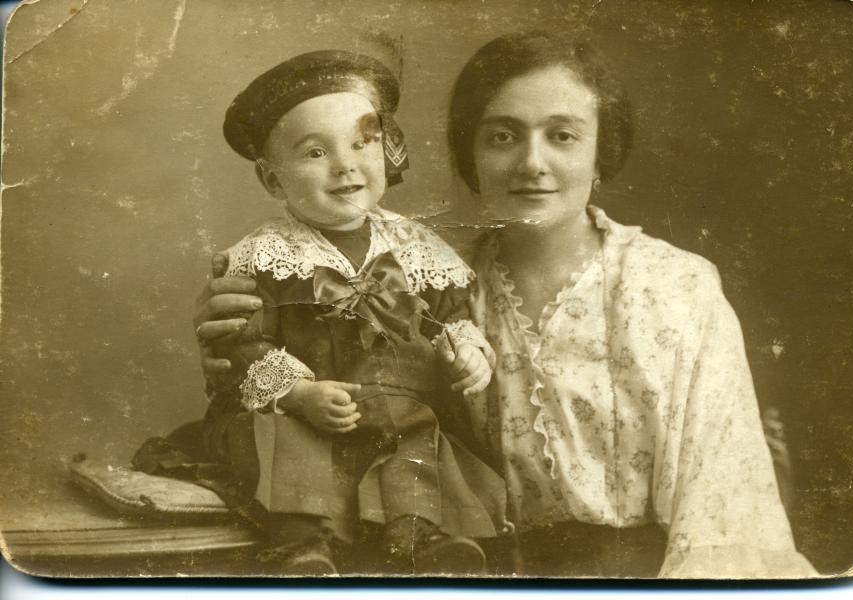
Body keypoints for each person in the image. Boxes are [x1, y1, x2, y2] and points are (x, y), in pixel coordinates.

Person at [195, 32, 816, 578]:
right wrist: (233, 343)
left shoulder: (676, 286)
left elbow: (724, 515)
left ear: (601, 152)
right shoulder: (429, 275)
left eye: (563, 136)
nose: (532, 164)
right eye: (502, 136)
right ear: (471, 154)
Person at [185, 50, 507, 576]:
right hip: (306, 410)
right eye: (316, 152)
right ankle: (305, 544)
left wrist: (465, 349)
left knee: (418, 443)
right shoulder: (266, 256)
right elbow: (242, 341)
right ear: (272, 180)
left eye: (363, 143)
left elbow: (448, 315)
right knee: (291, 444)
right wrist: (298, 393)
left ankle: (419, 536)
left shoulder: (415, 245)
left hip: (398, 409)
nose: (345, 165)